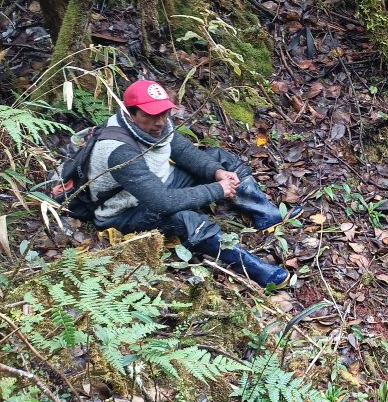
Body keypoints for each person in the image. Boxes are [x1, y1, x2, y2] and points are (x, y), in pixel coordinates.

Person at [87, 79, 299, 287]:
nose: (160, 121)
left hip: (162, 184)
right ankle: (253, 269)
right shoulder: (119, 149)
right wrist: (217, 189)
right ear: (129, 114)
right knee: (185, 219)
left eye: (164, 112)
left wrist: (217, 173)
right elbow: (162, 202)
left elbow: (186, 153)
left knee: (219, 159)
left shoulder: (157, 126)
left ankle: (265, 214)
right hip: (126, 211)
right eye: (150, 115)